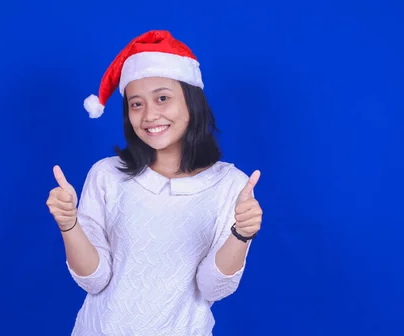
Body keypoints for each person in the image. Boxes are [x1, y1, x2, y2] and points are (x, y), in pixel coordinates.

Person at [46, 30, 263, 336]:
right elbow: (94, 280)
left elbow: (212, 288)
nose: (149, 115)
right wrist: (69, 224)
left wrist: (241, 234)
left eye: (162, 98)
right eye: (136, 104)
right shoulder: (107, 175)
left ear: (191, 101)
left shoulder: (230, 185)